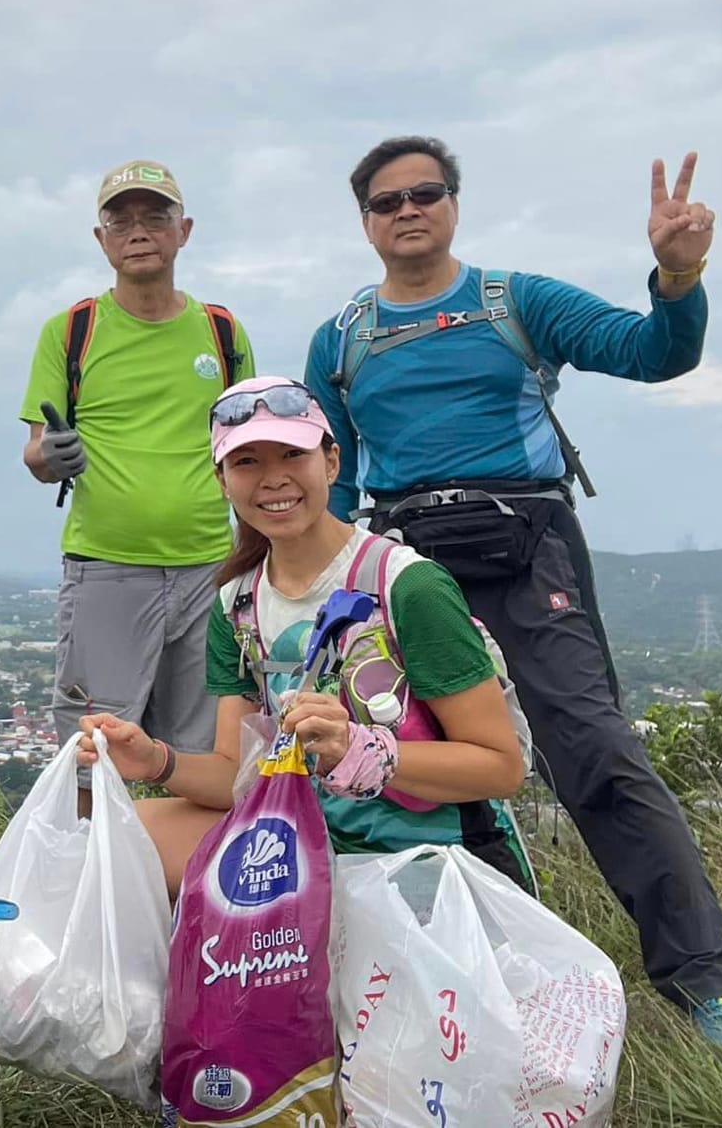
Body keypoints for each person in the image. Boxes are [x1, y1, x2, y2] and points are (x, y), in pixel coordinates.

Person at [299, 136, 722, 1063]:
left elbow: (654, 355)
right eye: (387, 201)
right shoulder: (342, 338)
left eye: (425, 193)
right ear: (365, 222)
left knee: (591, 749)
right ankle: (465, 974)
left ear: (453, 205)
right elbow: (334, 473)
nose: (408, 210)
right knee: (407, 763)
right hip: (402, 563)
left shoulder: (517, 301)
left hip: (527, 545)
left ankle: (707, 983)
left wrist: (678, 276)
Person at [79, 378, 528, 896]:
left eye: (293, 453)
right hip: (307, 839)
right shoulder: (236, 605)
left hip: (436, 858)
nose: (274, 479)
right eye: (246, 462)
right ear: (221, 480)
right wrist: (156, 760)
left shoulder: (407, 586)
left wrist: (360, 749)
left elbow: (501, 767)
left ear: (331, 463)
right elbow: (237, 776)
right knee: (114, 841)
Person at [19, 159, 256, 781]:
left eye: (156, 216)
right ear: (101, 240)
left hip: (211, 568)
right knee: (94, 758)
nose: (138, 230)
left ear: (185, 230)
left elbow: (248, 447)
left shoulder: (223, 332)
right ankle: (90, 876)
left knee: (206, 757)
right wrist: (54, 456)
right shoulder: (71, 331)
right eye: (119, 220)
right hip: (107, 568)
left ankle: (188, 878)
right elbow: (37, 451)